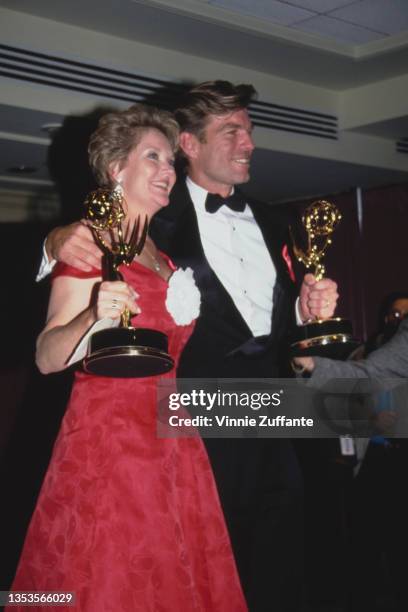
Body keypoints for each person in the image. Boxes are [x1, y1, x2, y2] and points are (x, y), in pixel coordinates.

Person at [41, 81, 338, 611]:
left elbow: (268, 320)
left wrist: (304, 312)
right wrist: (52, 243)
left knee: (280, 546)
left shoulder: (273, 222)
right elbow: (87, 249)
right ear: (191, 144)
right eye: (232, 131)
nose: (248, 143)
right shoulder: (157, 218)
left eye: (250, 130)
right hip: (182, 416)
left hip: (269, 411)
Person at [8, 104, 248, 612]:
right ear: (117, 169)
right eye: (153, 158)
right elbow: (48, 357)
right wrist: (91, 316)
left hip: (176, 442)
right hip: (112, 443)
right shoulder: (89, 243)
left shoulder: (164, 258)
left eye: (171, 163)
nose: (168, 171)